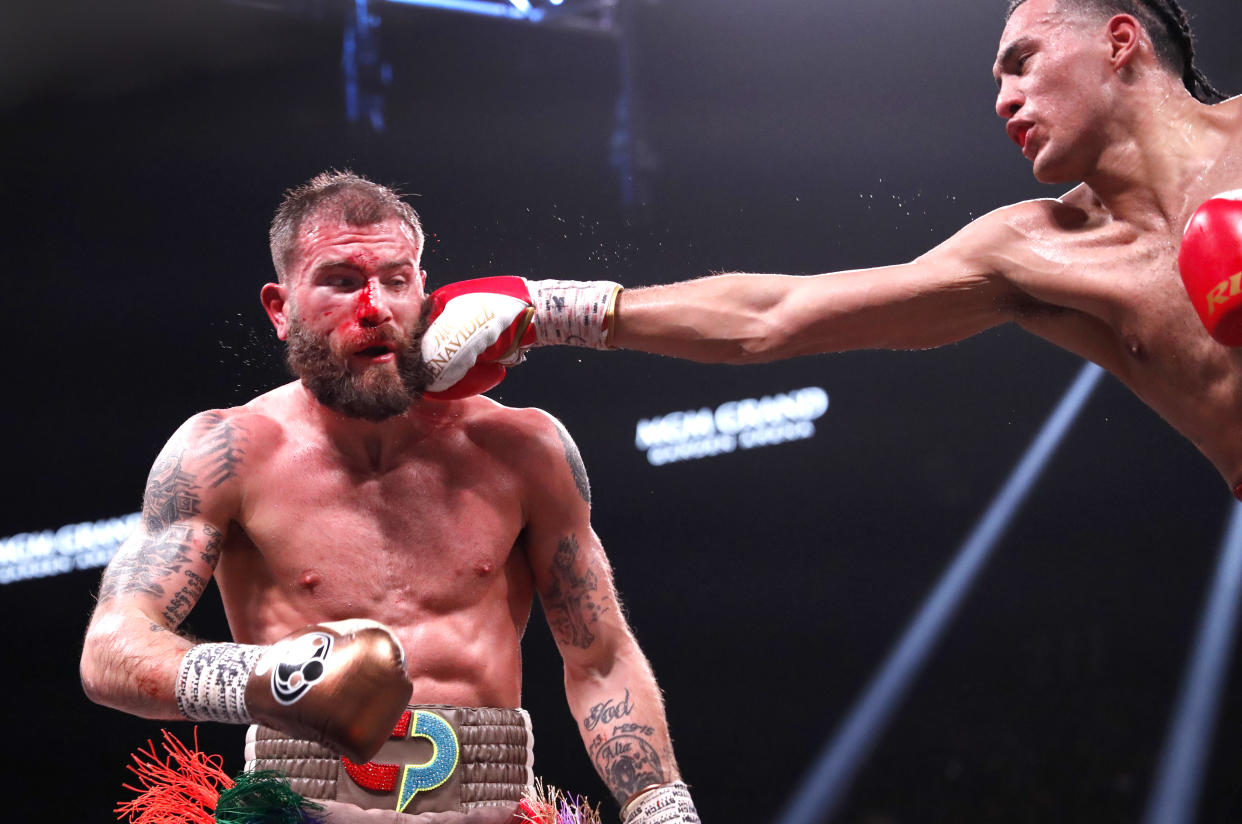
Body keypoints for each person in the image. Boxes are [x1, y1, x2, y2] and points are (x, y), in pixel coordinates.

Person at [421, 0, 1242, 497]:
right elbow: (778, 316)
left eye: (1019, 64)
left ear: (1121, 40)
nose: (1003, 100)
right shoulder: (1032, 248)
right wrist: (550, 308)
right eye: (998, 80)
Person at [79, 171, 700, 824]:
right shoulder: (225, 454)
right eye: (341, 281)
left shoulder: (523, 447)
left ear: (425, 295)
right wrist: (272, 682)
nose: (374, 306)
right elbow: (113, 647)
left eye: (396, 280)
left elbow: (599, 659)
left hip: (486, 808)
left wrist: (662, 809)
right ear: (280, 307)